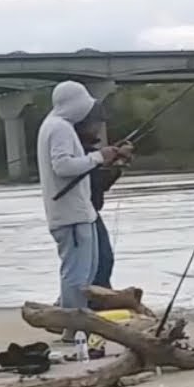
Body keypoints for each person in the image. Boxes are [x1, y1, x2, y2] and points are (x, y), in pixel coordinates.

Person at [35, 81, 131, 341]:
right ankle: (72, 329)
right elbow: (63, 166)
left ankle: (75, 326)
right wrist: (100, 157)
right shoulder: (60, 128)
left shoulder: (51, 126)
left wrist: (102, 157)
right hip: (72, 215)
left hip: (74, 212)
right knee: (78, 275)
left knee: (83, 273)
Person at [74, 103, 124, 289]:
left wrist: (115, 167)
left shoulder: (89, 153)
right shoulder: (82, 153)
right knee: (100, 261)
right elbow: (92, 185)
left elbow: (99, 187)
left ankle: (99, 295)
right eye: (95, 123)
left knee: (102, 260)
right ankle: (95, 298)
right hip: (83, 213)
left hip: (91, 212)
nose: (98, 128)